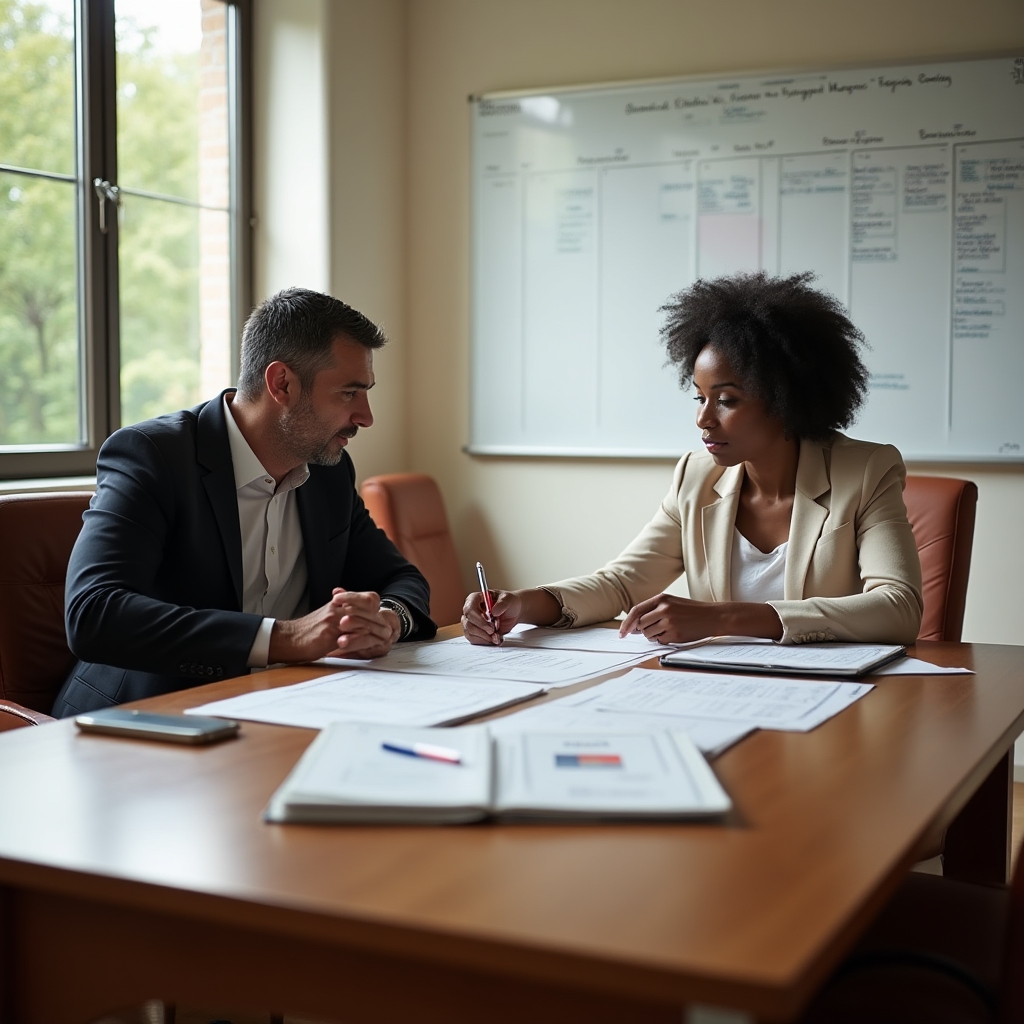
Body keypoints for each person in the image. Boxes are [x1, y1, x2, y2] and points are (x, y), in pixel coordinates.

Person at [463, 271, 923, 648]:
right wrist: (525, 604)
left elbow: (898, 607)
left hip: (835, 701)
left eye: (726, 400)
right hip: (718, 690)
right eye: (699, 397)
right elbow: (621, 583)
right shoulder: (696, 476)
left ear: (787, 401)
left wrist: (722, 617)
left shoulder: (865, 472)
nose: (703, 420)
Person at [55, 287, 436, 717]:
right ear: (282, 384)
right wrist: (286, 637)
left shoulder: (329, 471)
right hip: (143, 719)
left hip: (284, 706)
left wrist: (386, 620)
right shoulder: (152, 456)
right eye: (349, 393)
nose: (366, 416)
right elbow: (94, 614)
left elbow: (401, 577)